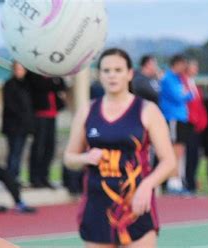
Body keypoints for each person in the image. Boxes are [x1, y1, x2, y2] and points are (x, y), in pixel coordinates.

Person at [63, 48, 176, 247]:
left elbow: (169, 162)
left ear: (129, 73)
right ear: (99, 75)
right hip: (97, 204)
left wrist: (147, 185)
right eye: (106, 70)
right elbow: (69, 158)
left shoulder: (147, 110)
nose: (112, 75)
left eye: (118, 70)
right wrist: (85, 158)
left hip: (136, 204)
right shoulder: (87, 111)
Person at [158, 54, 194, 194]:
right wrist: (186, 94)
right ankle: (172, 181)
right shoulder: (168, 78)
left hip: (181, 118)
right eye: (182, 64)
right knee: (173, 148)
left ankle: (177, 179)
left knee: (180, 149)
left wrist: (186, 94)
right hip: (172, 117)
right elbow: (179, 96)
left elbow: (190, 94)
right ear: (176, 64)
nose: (184, 67)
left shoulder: (179, 79)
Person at [27, 71, 67, 188]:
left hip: (52, 115)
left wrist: (54, 81)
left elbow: (61, 85)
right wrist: (53, 82)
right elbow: (44, 87)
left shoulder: (54, 75)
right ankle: (35, 178)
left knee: (50, 147)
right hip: (40, 115)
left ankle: (45, 177)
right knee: (38, 147)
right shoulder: (34, 75)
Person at [1, 61, 34, 183]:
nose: (20, 72)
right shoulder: (9, 85)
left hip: (23, 127)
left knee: (19, 153)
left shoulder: (26, 85)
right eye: (18, 69)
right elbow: (10, 106)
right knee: (13, 153)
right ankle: (10, 179)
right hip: (13, 127)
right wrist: (22, 117)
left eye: (22, 69)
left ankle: (16, 177)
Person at [181, 59, 208, 194]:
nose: (196, 69)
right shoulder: (182, 83)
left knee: (195, 156)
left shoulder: (194, 84)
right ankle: (187, 184)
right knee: (188, 156)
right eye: (193, 67)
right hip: (188, 125)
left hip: (197, 127)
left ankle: (191, 182)